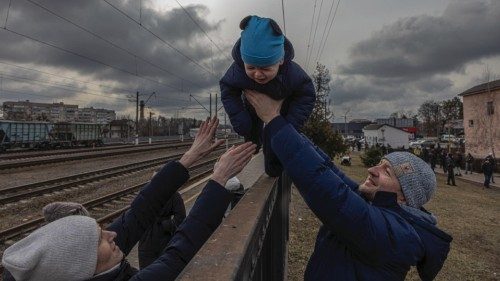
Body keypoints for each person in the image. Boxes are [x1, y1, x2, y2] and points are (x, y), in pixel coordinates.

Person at [2, 117, 256, 281]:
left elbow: (138, 213)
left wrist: (187, 159)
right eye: (100, 239)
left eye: (101, 230)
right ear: (84, 269)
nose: (111, 234)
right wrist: (218, 179)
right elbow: (179, 253)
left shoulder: (91, 264)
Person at [245, 90, 452, 281]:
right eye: (379, 163)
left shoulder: (395, 235)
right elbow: (326, 169)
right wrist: (285, 125)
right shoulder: (380, 210)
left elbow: (330, 193)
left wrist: (273, 119)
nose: (372, 170)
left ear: (405, 197)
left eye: (386, 171)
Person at [220, 15, 315, 177]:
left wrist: (291, 124)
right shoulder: (237, 70)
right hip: (251, 106)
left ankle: (274, 170)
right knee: (249, 131)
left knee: (276, 139)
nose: (258, 74)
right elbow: (228, 89)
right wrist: (239, 119)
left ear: (280, 60)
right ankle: (253, 145)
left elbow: (307, 94)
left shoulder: (291, 73)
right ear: (243, 61)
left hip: (282, 109)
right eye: (251, 67)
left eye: (265, 68)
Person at [138, 188, 186, 269]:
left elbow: (181, 218)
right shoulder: (145, 193)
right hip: (148, 239)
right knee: (146, 271)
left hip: (163, 239)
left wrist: (165, 225)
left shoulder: (173, 194)